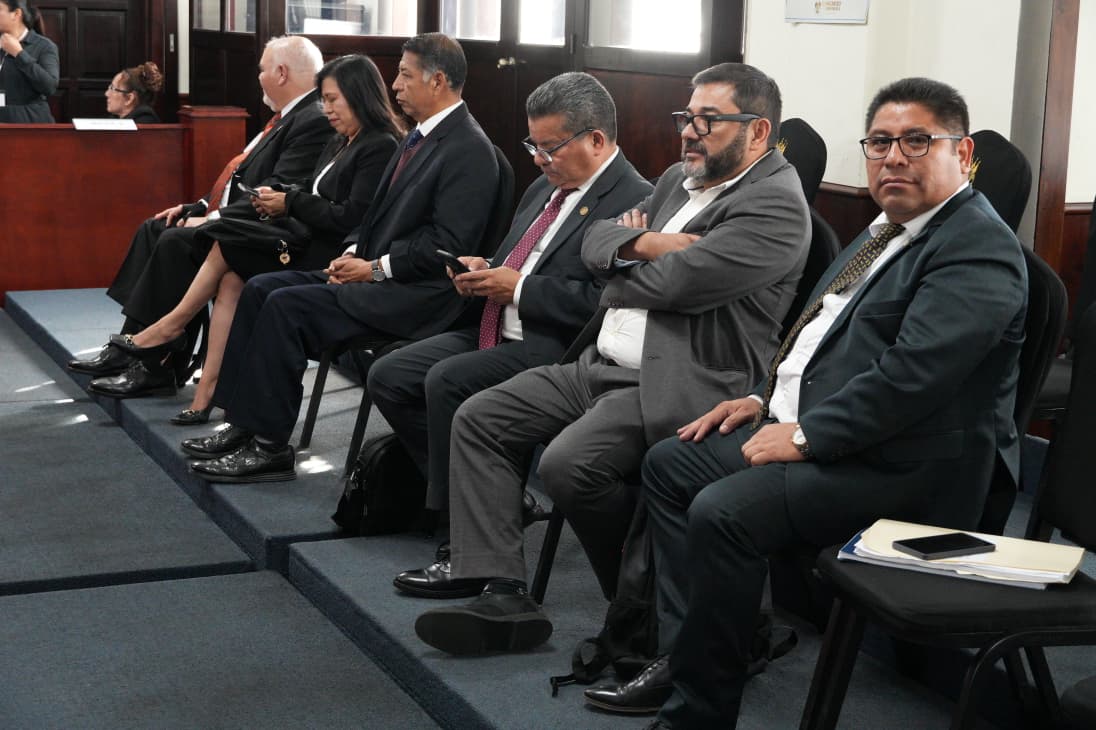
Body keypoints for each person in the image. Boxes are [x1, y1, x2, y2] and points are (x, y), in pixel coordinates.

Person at [596, 78, 1028, 730]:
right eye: (880, 142)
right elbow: (813, 338)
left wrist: (803, 436)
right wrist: (759, 397)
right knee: (670, 464)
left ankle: (697, 713)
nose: (893, 157)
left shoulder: (976, 246)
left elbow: (911, 379)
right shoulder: (887, 229)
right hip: (833, 433)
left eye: (917, 141)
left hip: (907, 468)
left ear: (961, 152)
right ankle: (702, 651)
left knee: (723, 512)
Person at [409, 62, 810, 655]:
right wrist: (643, 246)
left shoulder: (776, 205)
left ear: (757, 132)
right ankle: (503, 592)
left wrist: (623, 258)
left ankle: (649, 601)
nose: (689, 132)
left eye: (709, 120)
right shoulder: (678, 177)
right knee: (480, 418)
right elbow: (596, 240)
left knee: (569, 465)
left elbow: (669, 283)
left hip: (675, 378)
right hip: (598, 361)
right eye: (686, 117)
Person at [180, 33, 501, 484]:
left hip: (416, 295)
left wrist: (372, 269)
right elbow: (371, 219)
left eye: (405, 74)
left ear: (440, 80)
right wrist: (353, 251)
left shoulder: (467, 149)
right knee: (260, 288)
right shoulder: (418, 139)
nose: (395, 85)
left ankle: (270, 446)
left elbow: (445, 246)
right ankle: (243, 423)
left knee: (286, 305)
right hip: (376, 276)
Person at [368, 71, 651, 569]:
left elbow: (607, 299)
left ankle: (462, 536)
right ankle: (496, 499)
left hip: (557, 347)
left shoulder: (634, 202)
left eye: (551, 147)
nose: (540, 160)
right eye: (533, 146)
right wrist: (484, 269)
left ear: (597, 140)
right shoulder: (545, 186)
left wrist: (517, 288)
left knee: (447, 380)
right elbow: (516, 257)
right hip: (495, 327)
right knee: (390, 375)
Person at [88, 54, 403, 426]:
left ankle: (171, 331)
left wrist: (291, 202)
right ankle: (206, 385)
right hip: (302, 236)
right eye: (325, 99)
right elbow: (308, 187)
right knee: (230, 273)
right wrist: (282, 195)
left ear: (359, 95)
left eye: (333, 99)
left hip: (326, 251)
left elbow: (351, 216)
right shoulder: (342, 140)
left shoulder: (379, 144)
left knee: (224, 244)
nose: (327, 108)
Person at [68, 35, 331, 390]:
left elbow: (275, 190)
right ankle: (133, 345)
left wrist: (212, 220)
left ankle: (154, 364)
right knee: (157, 226)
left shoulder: (311, 119)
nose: (258, 77)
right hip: (238, 221)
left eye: (262, 69)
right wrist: (198, 207)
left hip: (267, 235)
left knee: (177, 242)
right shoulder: (285, 117)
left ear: (281, 73)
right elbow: (240, 177)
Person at [0, 0, 58, 123]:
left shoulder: (44, 46)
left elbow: (49, 86)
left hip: (29, 123)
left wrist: (19, 54)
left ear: (16, 14)